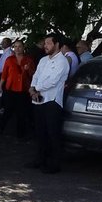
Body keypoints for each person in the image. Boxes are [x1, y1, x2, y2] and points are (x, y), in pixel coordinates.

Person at [29, 33, 70, 174]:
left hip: (52, 101)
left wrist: (37, 88)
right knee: (40, 132)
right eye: (45, 43)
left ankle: (55, 164)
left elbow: (53, 81)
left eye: (48, 43)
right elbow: (36, 75)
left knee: (53, 133)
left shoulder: (62, 62)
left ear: (57, 44)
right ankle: (40, 159)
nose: (45, 46)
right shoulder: (43, 60)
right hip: (38, 100)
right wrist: (32, 88)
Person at [0, 41, 34, 138]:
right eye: (15, 47)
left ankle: (21, 134)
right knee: (8, 111)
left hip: (23, 89)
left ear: (23, 48)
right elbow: (4, 74)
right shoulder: (9, 59)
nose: (17, 48)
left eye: (19, 46)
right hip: (10, 89)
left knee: (21, 113)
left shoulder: (29, 60)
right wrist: (0, 87)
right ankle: (1, 129)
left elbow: (33, 75)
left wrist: (28, 70)